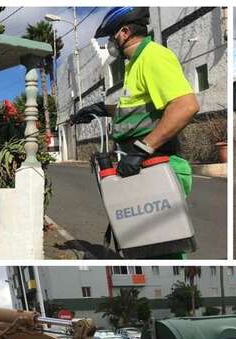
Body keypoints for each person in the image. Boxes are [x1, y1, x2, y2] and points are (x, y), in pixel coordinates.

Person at [72, 7, 200, 258]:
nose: (110, 44)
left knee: (162, 247)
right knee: (142, 245)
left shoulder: (153, 56)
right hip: (142, 168)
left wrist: (142, 149)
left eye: (111, 37)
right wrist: (101, 109)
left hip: (157, 166)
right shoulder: (135, 64)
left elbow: (185, 106)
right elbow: (140, 109)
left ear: (124, 32)